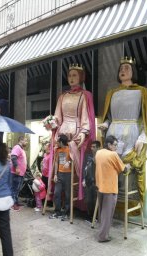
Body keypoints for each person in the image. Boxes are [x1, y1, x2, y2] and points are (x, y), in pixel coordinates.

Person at [99, 57, 147, 204]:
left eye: (126, 68)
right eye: (121, 69)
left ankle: (129, 203)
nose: (123, 71)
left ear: (133, 71)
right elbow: (108, 115)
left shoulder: (142, 92)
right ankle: (109, 200)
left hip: (131, 133)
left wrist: (142, 137)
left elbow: (145, 118)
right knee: (111, 168)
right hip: (113, 132)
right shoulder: (112, 93)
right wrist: (105, 123)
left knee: (128, 170)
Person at [49, 64, 96, 201]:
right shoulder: (62, 96)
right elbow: (57, 117)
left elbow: (86, 117)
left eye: (75, 75)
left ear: (81, 77)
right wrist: (51, 123)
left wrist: (83, 132)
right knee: (62, 167)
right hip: (62, 134)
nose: (71, 78)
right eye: (69, 75)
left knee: (74, 170)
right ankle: (61, 199)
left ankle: (74, 201)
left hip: (76, 135)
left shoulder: (85, 95)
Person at [95, 135, 125, 242]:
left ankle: (102, 233)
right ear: (109, 145)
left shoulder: (99, 152)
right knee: (107, 214)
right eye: (115, 145)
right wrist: (128, 166)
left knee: (102, 213)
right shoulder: (113, 154)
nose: (116, 147)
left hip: (100, 186)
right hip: (110, 188)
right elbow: (123, 169)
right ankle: (103, 236)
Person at [49, 134, 72, 220]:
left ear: (61, 142)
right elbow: (56, 162)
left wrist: (68, 162)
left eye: (58, 141)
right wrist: (55, 174)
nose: (57, 142)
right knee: (56, 193)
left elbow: (74, 160)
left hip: (68, 174)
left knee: (67, 194)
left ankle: (66, 213)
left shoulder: (69, 149)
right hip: (59, 174)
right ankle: (57, 212)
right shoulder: (57, 150)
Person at [83, 140, 101, 222]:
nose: (92, 148)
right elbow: (85, 168)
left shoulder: (101, 157)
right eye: (91, 146)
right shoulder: (88, 156)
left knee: (96, 200)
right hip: (88, 181)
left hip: (97, 183)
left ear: (98, 148)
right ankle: (90, 217)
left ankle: (96, 217)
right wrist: (84, 179)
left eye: (94, 147)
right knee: (88, 200)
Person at [10, 136, 28, 211]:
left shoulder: (21, 149)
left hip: (20, 173)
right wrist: (17, 168)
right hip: (16, 173)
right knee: (14, 188)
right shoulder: (17, 147)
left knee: (17, 189)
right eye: (26, 141)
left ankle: (16, 201)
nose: (27, 142)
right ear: (21, 140)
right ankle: (12, 204)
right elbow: (13, 157)